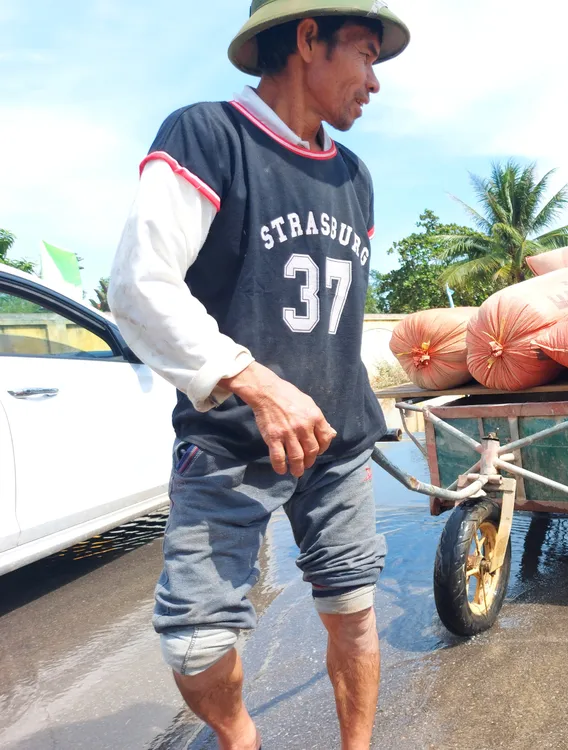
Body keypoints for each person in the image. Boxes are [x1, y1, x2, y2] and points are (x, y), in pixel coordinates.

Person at [108, 2, 410, 748]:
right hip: (229, 440)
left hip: (336, 442)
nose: (375, 81)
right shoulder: (208, 136)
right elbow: (140, 285)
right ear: (308, 39)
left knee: (353, 610)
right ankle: (240, 737)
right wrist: (256, 382)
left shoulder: (354, 177)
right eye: (365, 54)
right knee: (195, 642)